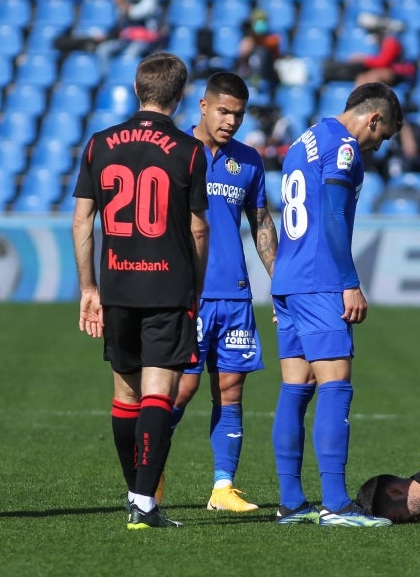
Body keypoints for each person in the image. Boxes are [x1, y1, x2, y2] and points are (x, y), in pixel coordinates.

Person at [71, 52, 210, 530]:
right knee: (158, 393)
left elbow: (82, 221)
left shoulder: (99, 143)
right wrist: (196, 285)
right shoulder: (191, 150)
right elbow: (197, 231)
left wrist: (89, 286)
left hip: (116, 282)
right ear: (180, 95)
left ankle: (137, 494)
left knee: (125, 394)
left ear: (137, 90)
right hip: (167, 284)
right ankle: (144, 502)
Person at [269, 82, 403, 527]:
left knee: (296, 386)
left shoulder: (305, 139)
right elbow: (331, 214)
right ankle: (336, 504)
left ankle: (291, 502)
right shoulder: (344, 147)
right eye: (379, 138)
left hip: (287, 278)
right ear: (373, 119)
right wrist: (349, 282)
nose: (375, 146)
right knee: (335, 383)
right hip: (320, 279)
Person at [171, 72, 279, 512]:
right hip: (186, 294)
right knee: (180, 391)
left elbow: (262, 225)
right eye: (224, 111)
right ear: (202, 106)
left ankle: (223, 487)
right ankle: (149, 474)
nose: (231, 121)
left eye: (238, 114)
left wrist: (282, 285)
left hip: (234, 294)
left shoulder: (249, 161)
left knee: (231, 390)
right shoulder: (174, 153)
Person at [323, 14, 415, 88]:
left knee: (373, 77)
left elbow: (383, 62)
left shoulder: (391, 42)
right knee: (362, 78)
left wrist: (363, 59)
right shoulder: (382, 43)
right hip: (388, 70)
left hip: (398, 73)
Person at [235, 9, 281, 97]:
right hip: (249, 74)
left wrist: (256, 41)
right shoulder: (247, 40)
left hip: (268, 75)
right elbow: (241, 57)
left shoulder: (273, 39)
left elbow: (276, 54)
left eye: (263, 21)